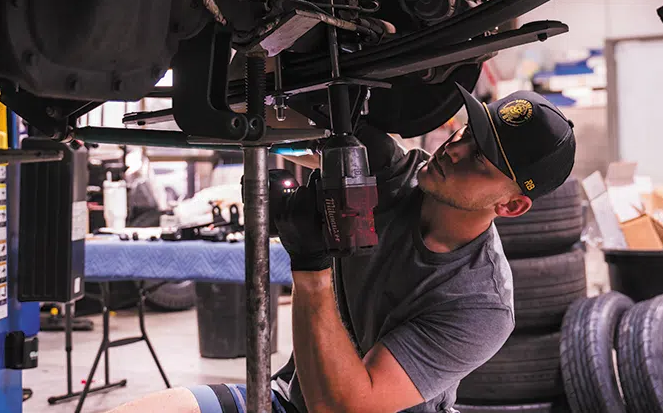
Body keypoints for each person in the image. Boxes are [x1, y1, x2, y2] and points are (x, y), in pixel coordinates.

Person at [109, 86, 576, 413]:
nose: (455, 149)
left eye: (481, 158)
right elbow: (298, 123)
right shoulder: (392, 177)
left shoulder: (480, 303)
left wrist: (310, 267)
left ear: (510, 205)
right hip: (289, 399)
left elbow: (344, 407)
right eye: (468, 133)